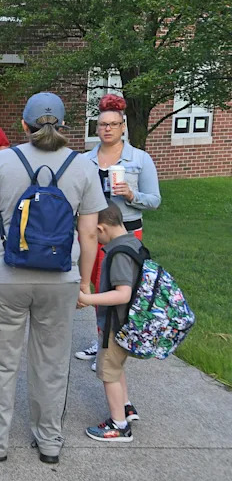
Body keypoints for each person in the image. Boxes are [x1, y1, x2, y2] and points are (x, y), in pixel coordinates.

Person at [0, 92, 106, 465]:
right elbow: (89, 234)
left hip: (5, 275)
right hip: (60, 278)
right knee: (52, 363)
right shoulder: (83, 166)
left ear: (24, 125)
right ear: (63, 126)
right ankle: (49, 442)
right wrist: (84, 283)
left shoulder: (2, 162)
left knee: (3, 362)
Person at [75, 94, 161, 366]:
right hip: (93, 233)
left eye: (113, 124)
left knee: (120, 289)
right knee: (98, 286)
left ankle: (114, 346)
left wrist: (132, 195)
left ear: (123, 126)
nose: (108, 129)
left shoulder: (139, 159)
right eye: (103, 124)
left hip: (126, 236)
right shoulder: (85, 160)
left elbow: (154, 200)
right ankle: (102, 339)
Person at [77, 204, 144, 442]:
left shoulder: (118, 253)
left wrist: (87, 299)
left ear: (100, 229)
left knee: (108, 373)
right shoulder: (133, 243)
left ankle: (119, 425)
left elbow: (123, 294)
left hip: (115, 325)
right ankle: (125, 406)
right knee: (117, 367)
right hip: (126, 323)